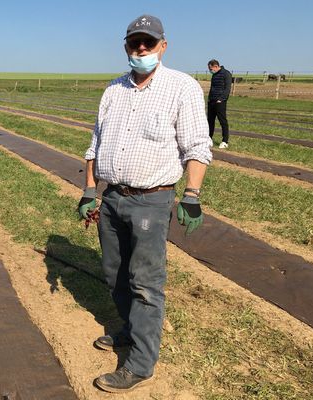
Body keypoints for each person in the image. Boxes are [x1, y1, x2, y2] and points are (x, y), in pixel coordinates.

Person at [78, 14, 212, 393]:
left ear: (162, 46)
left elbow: (197, 147)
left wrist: (192, 195)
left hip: (151, 201)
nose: (140, 49)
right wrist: (90, 190)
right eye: (134, 42)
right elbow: (94, 145)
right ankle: (130, 328)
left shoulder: (181, 88)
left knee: (146, 283)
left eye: (148, 43)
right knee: (113, 274)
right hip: (112, 197)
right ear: (126, 46)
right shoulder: (113, 91)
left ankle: (140, 363)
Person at [207, 59, 232, 149]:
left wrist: (221, 99)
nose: (210, 70)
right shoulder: (214, 75)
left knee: (222, 121)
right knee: (210, 121)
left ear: (216, 66)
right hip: (212, 101)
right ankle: (209, 139)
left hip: (220, 102)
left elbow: (227, 88)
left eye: (211, 68)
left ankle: (225, 141)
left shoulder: (226, 74)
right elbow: (212, 88)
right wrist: (209, 99)